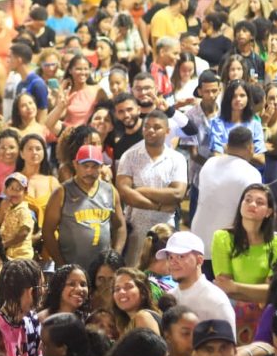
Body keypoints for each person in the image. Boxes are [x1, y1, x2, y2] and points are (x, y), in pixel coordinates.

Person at [115, 111, 188, 266]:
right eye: (147, 126)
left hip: (165, 230)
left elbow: (177, 193)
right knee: (134, 275)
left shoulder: (177, 159)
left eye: (157, 127)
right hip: (135, 230)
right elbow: (124, 193)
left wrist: (141, 191)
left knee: (164, 276)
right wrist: (158, 206)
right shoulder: (129, 156)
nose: (150, 130)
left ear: (167, 131)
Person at [43, 144, 126, 271]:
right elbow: (47, 231)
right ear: (75, 164)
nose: (89, 171)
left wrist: (115, 256)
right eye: (85, 166)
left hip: (102, 270)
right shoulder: (62, 192)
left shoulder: (110, 191)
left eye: (94, 166)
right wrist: (61, 263)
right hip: (71, 267)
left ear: (102, 167)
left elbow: (120, 226)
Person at [161, 231, 236, 329]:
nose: (173, 262)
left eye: (180, 256)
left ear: (199, 260)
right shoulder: (170, 296)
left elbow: (228, 343)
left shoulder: (215, 300)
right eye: (170, 257)